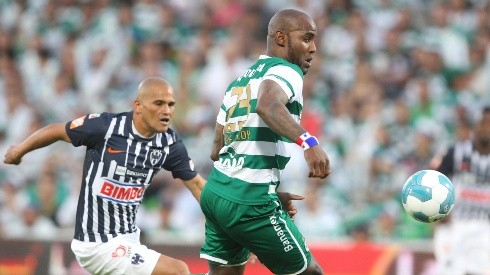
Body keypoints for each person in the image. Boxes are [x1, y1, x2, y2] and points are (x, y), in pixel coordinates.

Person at [3, 77, 206, 275]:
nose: (166, 111)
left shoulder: (168, 142)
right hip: (96, 244)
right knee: (178, 270)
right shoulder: (106, 127)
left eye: (171, 105)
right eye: (159, 103)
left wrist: (228, 217)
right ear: (138, 105)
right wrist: (18, 151)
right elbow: (56, 130)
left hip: (129, 240)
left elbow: (197, 185)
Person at [199, 9, 330, 275]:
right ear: (281, 38)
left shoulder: (240, 81)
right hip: (249, 200)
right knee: (310, 272)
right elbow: (268, 105)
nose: (313, 48)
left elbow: (216, 149)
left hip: (216, 192)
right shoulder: (287, 70)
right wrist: (309, 142)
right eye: (306, 38)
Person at [429, 106, 490, 275]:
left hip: (485, 227)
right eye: (484, 122)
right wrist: (438, 211)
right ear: (475, 126)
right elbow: (430, 181)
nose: (487, 127)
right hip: (453, 225)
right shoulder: (454, 152)